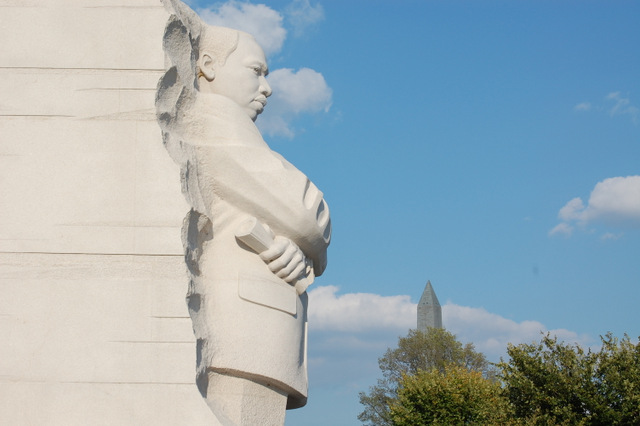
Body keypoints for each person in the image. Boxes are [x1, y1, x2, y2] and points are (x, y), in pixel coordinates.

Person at [156, 1, 330, 424]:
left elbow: (290, 224)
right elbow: (308, 213)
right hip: (240, 335)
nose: (267, 87)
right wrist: (306, 237)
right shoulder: (216, 126)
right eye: (257, 71)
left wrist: (296, 248)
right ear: (209, 66)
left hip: (253, 335)